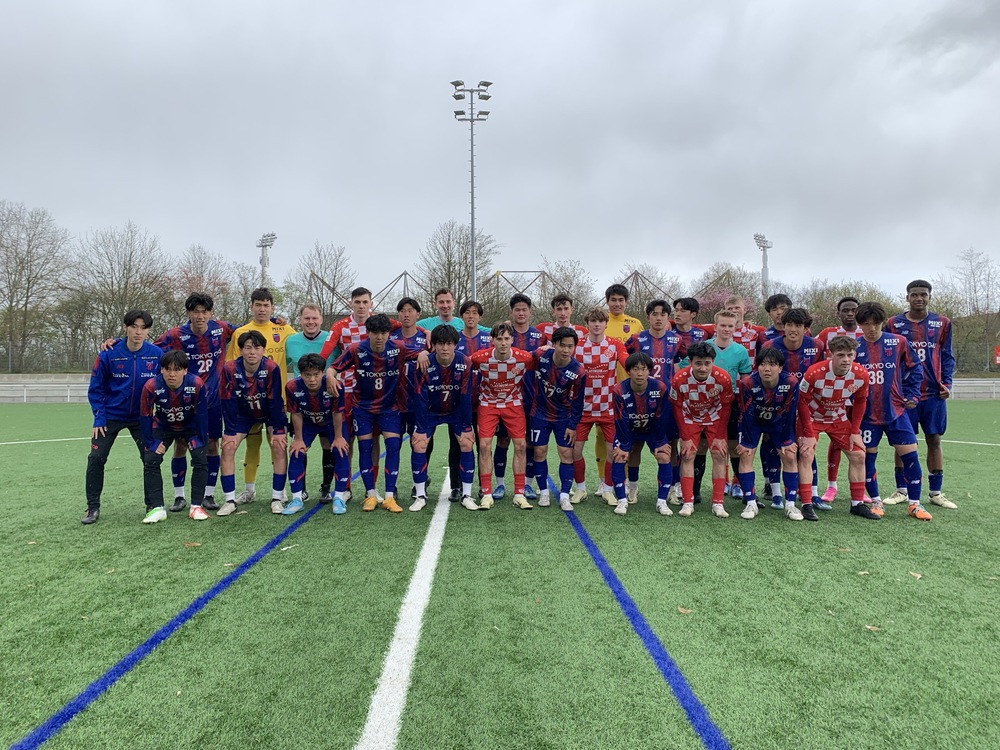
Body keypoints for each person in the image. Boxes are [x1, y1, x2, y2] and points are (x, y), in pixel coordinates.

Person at [328, 313, 425, 512]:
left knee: (393, 446)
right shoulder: (356, 349)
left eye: (383, 333)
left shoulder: (398, 347)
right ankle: (371, 495)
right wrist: (330, 376)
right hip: (363, 408)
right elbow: (333, 368)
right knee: (365, 447)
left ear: (389, 333)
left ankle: (389, 497)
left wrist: (422, 353)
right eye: (375, 333)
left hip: (390, 407)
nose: (379, 337)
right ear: (368, 333)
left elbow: (421, 352)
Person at [154, 292, 238, 512]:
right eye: (195, 312)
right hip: (185, 402)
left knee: (211, 444)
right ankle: (179, 496)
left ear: (211, 313)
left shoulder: (221, 328)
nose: (200, 316)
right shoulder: (175, 334)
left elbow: (247, 330)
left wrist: (273, 320)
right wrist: (117, 342)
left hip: (212, 402)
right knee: (181, 445)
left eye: (204, 311)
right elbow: (149, 348)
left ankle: (208, 494)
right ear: (188, 313)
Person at [82, 309, 163, 524]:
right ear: (125, 327)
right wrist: (99, 417)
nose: (138, 332)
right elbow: (96, 388)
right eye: (134, 327)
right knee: (96, 458)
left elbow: (163, 385)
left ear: (148, 330)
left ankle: (153, 505)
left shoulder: (156, 354)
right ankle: (92, 507)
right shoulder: (108, 354)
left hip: (142, 418)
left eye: (143, 328)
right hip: (110, 416)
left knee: (151, 458)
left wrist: (158, 416)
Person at [854, 302, 932, 521]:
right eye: (866, 324)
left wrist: (912, 395)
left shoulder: (898, 342)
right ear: (860, 324)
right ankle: (876, 501)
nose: (871, 328)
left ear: (882, 322)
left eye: (876, 323)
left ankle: (914, 504)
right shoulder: (854, 347)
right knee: (868, 459)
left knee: (911, 457)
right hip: (867, 415)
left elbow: (916, 367)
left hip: (896, 411)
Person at [885, 280, 957, 509]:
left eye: (923, 294)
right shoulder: (893, 324)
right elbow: (888, 356)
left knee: (934, 439)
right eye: (914, 294)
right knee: (903, 441)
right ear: (907, 297)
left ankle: (936, 492)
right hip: (905, 394)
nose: (919, 298)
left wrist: (947, 383)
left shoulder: (942, 323)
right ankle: (902, 490)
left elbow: (947, 355)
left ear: (929, 297)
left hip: (934, 394)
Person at [225, 287, 296, 505]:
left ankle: (280, 491)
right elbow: (232, 366)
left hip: (276, 399)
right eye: (258, 305)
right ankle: (249, 490)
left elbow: (300, 347)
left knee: (278, 443)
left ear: (272, 307)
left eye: (266, 305)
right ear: (251, 306)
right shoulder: (241, 333)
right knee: (252, 445)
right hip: (248, 402)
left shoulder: (284, 329)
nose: (262, 309)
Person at [796, 336, 879, 521]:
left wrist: (855, 432)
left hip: (837, 417)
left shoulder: (861, 374)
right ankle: (806, 504)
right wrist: (808, 433)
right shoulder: (814, 372)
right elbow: (801, 402)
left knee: (859, 455)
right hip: (812, 417)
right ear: (830, 355)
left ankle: (857, 504)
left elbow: (860, 401)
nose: (846, 359)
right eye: (841, 355)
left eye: (850, 355)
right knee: (807, 454)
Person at [217, 330, 288, 517]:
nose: (252, 352)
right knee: (228, 447)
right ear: (241, 350)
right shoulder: (230, 369)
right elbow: (227, 400)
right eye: (247, 348)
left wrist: (278, 429)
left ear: (263, 350)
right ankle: (229, 500)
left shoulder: (271, 367)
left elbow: (275, 399)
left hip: (269, 412)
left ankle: (277, 497)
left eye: (256, 348)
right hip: (243, 415)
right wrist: (230, 431)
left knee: (279, 445)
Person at [761, 308, 827, 508]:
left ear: (805, 328)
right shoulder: (770, 345)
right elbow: (763, 375)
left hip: (806, 405)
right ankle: (774, 492)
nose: (792, 329)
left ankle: (812, 493)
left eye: (798, 325)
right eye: (789, 324)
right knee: (774, 446)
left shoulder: (816, 345)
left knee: (806, 447)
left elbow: (822, 374)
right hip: (777, 405)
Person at [409, 325, 477, 511]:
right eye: (440, 343)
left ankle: (467, 494)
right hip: (431, 411)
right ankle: (420, 495)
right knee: (419, 444)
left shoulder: (465, 362)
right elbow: (420, 396)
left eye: (448, 343)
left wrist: (467, 425)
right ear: (434, 345)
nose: (444, 348)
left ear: (455, 344)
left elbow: (465, 395)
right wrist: (420, 428)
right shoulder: (425, 363)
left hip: (455, 411)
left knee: (466, 443)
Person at [469, 323, 536, 509]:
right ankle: (487, 493)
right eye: (499, 339)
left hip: (513, 403)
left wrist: (546, 348)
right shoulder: (480, 358)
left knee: (521, 445)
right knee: (484, 446)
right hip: (488, 404)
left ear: (512, 340)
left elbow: (540, 359)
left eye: (507, 339)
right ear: (492, 341)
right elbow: (462, 362)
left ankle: (519, 493)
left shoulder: (524, 358)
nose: (503, 343)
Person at [139, 350, 210, 523]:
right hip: (163, 426)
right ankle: (157, 508)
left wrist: (200, 439)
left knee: (200, 458)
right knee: (151, 459)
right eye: (168, 369)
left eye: (177, 369)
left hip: (190, 426)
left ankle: (196, 506)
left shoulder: (196, 384)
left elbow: (201, 414)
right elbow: (145, 415)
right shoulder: (151, 386)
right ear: (161, 369)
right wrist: (151, 442)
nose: (172, 374)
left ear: (185, 370)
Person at [734, 347, 802, 520]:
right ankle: (751, 503)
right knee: (746, 455)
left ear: (780, 367)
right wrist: (747, 441)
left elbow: (790, 412)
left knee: (789, 455)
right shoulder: (747, 383)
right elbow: (746, 413)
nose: (766, 369)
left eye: (772, 364)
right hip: (754, 422)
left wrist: (786, 440)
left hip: (779, 422)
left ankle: (791, 505)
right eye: (763, 364)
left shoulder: (791, 382)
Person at [571, 307, 630, 505]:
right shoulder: (577, 345)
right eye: (593, 321)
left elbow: (627, 362)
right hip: (582, 408)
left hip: (608, 407)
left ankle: (607, 489)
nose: (597, 325)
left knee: (612, 451)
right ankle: (580, 489)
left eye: (600, 321)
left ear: (606, 324)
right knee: (575, 451)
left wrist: (639, 366)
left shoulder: (614, 344)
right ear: (587, 324)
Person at [669, 342, 733, 518]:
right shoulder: (679, 379)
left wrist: (720, 435)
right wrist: (684, 436)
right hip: (689, 417)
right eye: (698, 363)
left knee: (719, 454)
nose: (703, 368)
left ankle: (718, 503)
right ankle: (687, 502)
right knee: (687, 454)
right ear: (690, 362)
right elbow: (676, 408)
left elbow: (726, 407)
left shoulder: (723, 377)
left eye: (707, 363)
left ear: (713, 362)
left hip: (715, 417)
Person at [525, 326, 586, 511]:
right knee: (539, 452)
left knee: (566, 454)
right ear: (553, 344)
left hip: (563, 417)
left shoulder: (578, 371)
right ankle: (543, 492)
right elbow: (523, 358)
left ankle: (565, 495)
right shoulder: (540, 356)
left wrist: (572, 425)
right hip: (539, 414)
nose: (566, 350)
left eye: (570, 346)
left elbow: (578, 401)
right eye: (562, 345)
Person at [284, 353, 350, 515]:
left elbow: (337, 413)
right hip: (307, 423)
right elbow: (296, 413)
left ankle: (339, 497)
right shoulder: (292, 386)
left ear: (323, 372)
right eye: (307, 375)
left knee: (340, 450)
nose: (312, 379)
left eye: (316, 374)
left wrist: (339, 437)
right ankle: (297, 499)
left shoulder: (335, 386)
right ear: (301, 374)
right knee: (297, 452)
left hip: (330, 422)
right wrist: (298, 439)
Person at [610, 352, 674, 517]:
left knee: (664, 455)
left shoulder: (660, 388)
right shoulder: (619, 390)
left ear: (649, 371)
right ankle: (623, 499)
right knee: (619, 456)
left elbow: (662, 416)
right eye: (635, 369)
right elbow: (620, 419)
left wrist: (659, 442)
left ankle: (662, 502)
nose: (640, 373)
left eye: (643, 369)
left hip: (653, 430)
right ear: (628, 371)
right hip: (629, 430)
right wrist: (624, 445)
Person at [495, 293, 545, 500]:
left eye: (524, 309)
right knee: (503, 440)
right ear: (511, 312)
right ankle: (499, 485)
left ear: (530, 312)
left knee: (528, 443)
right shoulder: (504, 333)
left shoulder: (540, 337)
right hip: (506, 397)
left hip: (531, 398)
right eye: (517, 309)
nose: (521, 313)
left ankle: (527, 485)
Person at [815, 297, 863, 504]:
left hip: (857, 393)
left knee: (857, 442)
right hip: (832, 397)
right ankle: (831, 486)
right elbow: (817, 355)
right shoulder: (827, 333)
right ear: (839, 313)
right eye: (845, 310)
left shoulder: (865, 333)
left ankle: (862, 489)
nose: (850, 313)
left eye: (853, 310)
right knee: (836, 441)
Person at [284, 303, 330, 501]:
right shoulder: (290, 341)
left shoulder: (331, 338)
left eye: (314, 318)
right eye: (307, 318)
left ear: (321, 319)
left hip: (327, 403)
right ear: (300, 320)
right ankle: (300, 490)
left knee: (328, 444)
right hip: (301, 404)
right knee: (299, 446)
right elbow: (283, 365)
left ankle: (326, 488)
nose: (311, 322)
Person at [390, 297, 431, 499]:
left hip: (419, 402)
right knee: (393, 445)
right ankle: (392, 485)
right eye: (403, 311)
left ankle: (420, 482)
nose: (406, 314)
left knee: (420, 443)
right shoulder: (390, 336)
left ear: (418, 314)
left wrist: (425, 350)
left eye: (410, 310)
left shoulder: (426, 338)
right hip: (394, 402)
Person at [724, 295, 765, 360]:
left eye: (737, 308)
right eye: (729, 309)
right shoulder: (720, 329)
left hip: (750, 366)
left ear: (745, 310)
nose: (733, 311)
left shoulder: (756, 330)